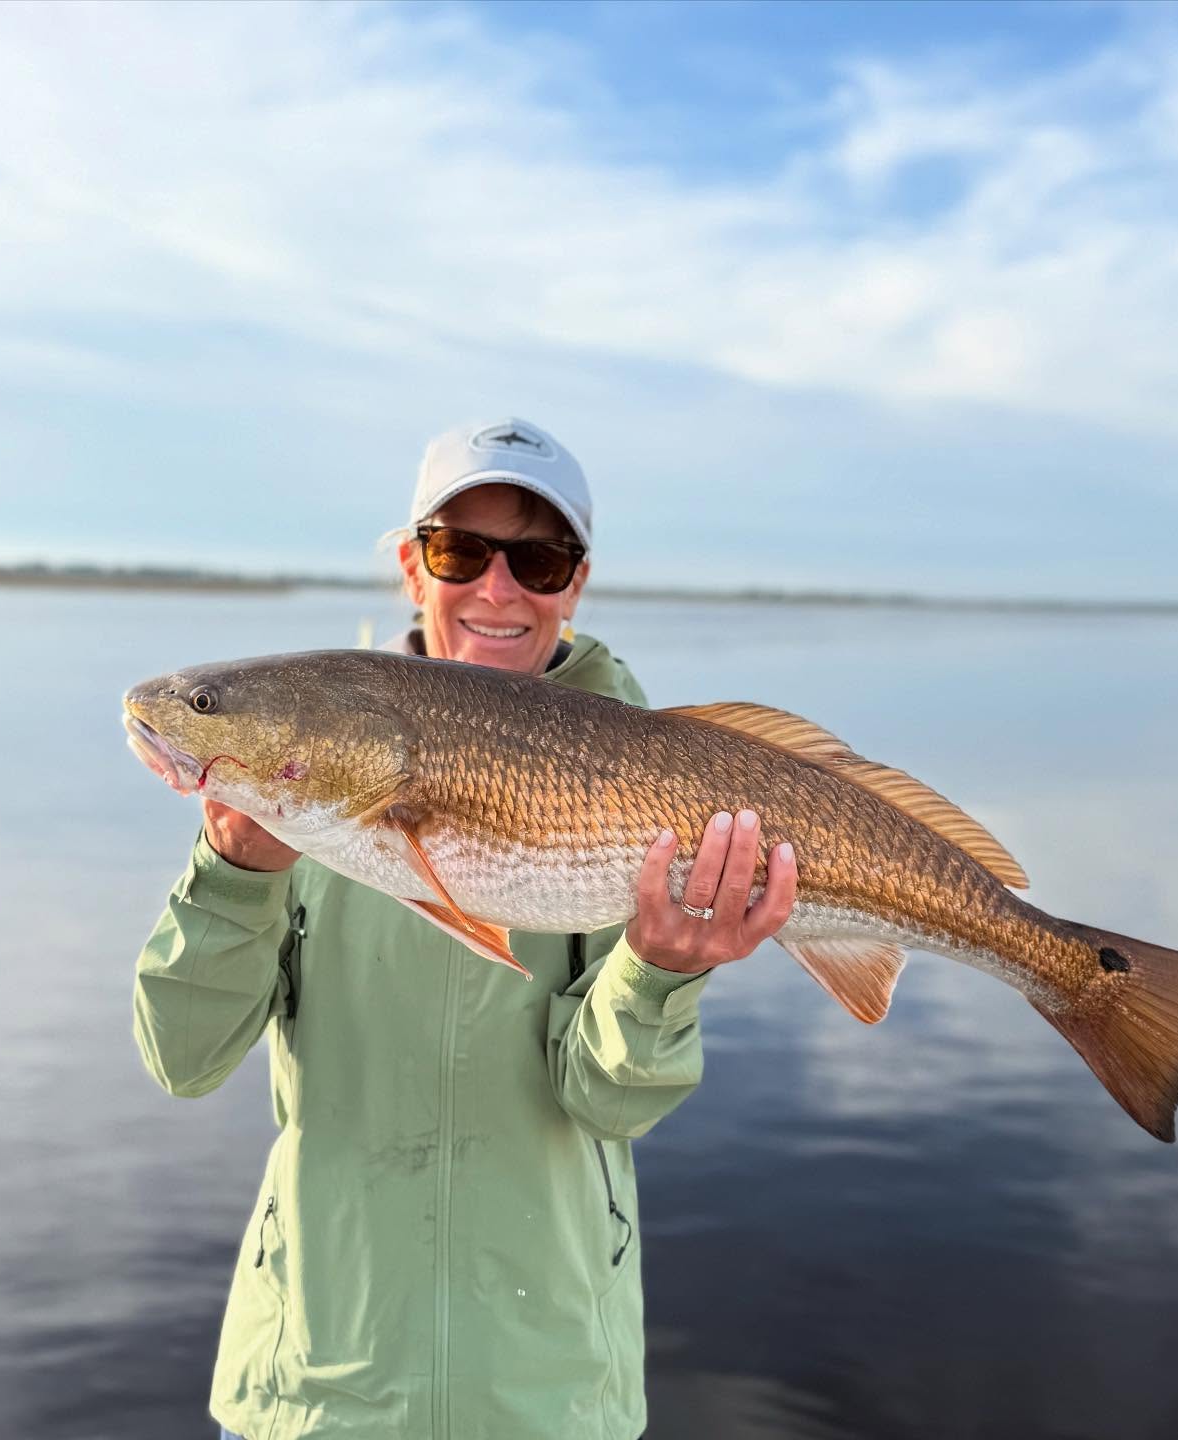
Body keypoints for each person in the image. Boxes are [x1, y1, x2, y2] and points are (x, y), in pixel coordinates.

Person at [132, 417, 799, 1440]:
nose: (498, 590)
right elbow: (182, 1060)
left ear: (574, 584)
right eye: (460, 551)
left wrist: (660, 974)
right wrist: (232, 878)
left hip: (549, 1398)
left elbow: (609, 1100)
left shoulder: (649, 781)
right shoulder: (283, 810)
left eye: (537, 560)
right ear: (411, 566)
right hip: (314, 1393)